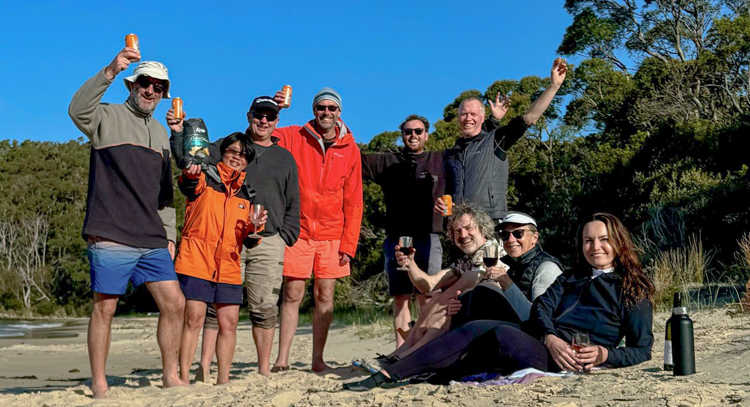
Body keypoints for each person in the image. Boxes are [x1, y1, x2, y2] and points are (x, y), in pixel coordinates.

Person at [343, 212, 655, 391]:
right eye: (588, 240)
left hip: (573, 360)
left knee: (500, 336)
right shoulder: (571, 277)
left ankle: (402, 371)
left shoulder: (633, 288)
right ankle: (394, 374)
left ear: (618, 242)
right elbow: (543, 310)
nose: (595, 247)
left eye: (603, 240)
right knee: (480, 326)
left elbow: (641, 350)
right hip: (545, 342)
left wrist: (603, 354)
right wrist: (550, 337)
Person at [69, 47, 186, 398]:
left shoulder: (162, 135)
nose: (151, 91)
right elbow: (77, 110)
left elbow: (165, 193)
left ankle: (170, 375)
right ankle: (100, 383)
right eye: (144, 83)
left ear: (165, 94)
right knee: (105, 307)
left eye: (158, 87)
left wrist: (169, 234)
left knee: (175, 304)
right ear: (132, 85)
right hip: (110, 231)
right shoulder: (105, 117)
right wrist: (110, 69)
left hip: (151, 235)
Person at [179, 96, 301, 378]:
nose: (264, 120)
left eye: (270, 116)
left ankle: (263, 370)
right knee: (215, 309)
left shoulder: (285, 158)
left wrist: (286, 236)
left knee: (264, 306)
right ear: (249, 116)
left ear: (276, 121)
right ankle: (204, 369)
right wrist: (179, 134)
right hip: (226, 240)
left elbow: (294, 199)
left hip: (267, 239)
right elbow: (192, 157)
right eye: (259, 114)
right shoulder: (230, 145)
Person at [270, 87, 363, 372]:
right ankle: (282, 360)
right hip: (297, 231)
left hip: (332, 235)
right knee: (292, 294)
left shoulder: (351, 148)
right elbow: (261, 136)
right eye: (321, 107)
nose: (326, 113)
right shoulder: (294, 135)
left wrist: (349, 245)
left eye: (331, 109)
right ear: (313, 110)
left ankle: (317, 360)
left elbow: (355, 201)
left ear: (339, 113)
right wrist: (276, 110)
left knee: (325, 297)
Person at [174, 133, 266, 385]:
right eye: (233, 151)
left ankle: (223, 380)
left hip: (228, 265)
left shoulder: (248, 193)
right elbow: (189, 183)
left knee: (230, 323)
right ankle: (182, 377)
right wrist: (191, 172)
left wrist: (255, 230)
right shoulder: (205, 178)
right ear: (222, 152)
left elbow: (248, 240)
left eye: (243, 154)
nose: (237, 157)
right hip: (196, 260)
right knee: (193, 319)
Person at [436, 59, 568, 223]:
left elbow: (529, 117)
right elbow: (446, 191)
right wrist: (442, 205)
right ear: (457, 118)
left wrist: (554, 85)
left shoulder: (496, 140)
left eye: (473, 114)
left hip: (490, 221)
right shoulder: (450, 155)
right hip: (459, 225)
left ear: (482, 117)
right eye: (463, 114)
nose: (467, 118)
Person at [360, 114, 445, 347]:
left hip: (429, 236)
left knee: (427, 294)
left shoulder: (439, 160)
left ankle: (425, 347)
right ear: (402, 135)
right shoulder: (388, 161)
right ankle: (401, 350)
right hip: (397, 237)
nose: (413, 136)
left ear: (426, 135)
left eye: (418, 131)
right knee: (401, 296)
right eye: (408, 132)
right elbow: (351, 157)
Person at [387, 203, 502, 360]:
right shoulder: (467, 260)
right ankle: (404, 354)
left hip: (496, 314)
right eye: (457, 231)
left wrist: (430, 315)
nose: (463, 235)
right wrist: (410, 263)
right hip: (476, 313)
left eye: (469, 228)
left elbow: (468, 283)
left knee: (445, 306)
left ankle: (407, 356)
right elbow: (428, 286)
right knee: (439, 299)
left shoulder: (489, 250)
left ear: (483, 229)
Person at [450, 211, 563, 327]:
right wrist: (460, 304)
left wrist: (506, 282)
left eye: (518, 233)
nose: (510, 240)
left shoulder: (546, 268)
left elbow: (541, 320)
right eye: (505, 235)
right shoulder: (505, 262)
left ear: (534, 237)